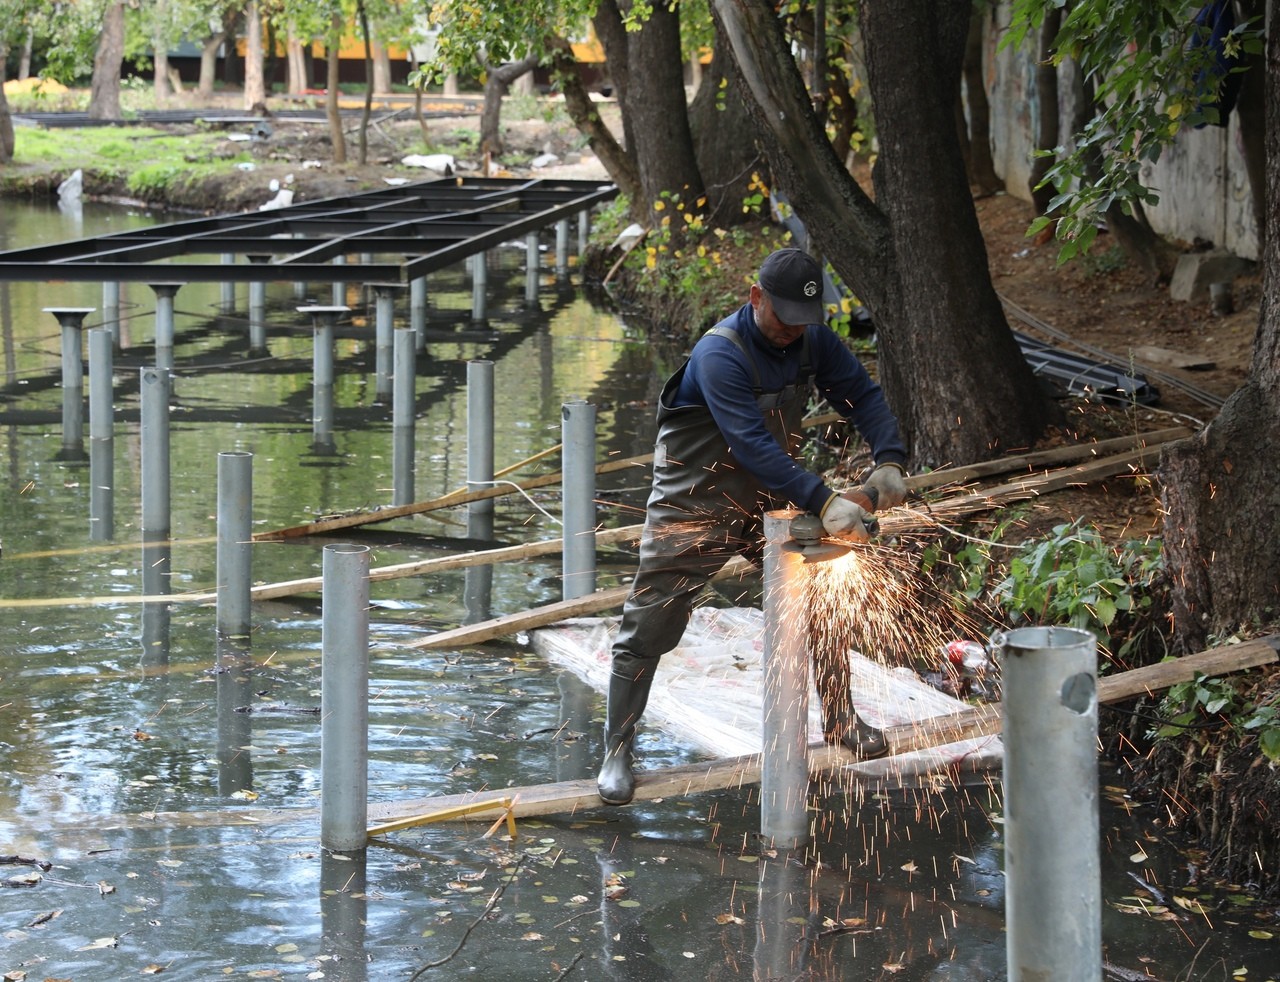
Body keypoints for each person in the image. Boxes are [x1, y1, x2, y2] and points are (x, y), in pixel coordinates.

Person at [598, 247, 909, 806]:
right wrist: (825, 497)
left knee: (823, 601)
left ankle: (841, 718)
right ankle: (617, 749)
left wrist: (888, 456)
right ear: (756, 297)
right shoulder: (720, 354)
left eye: (803, 320)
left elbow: (861, 395)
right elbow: (751, 444)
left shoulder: (814, 339)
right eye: (783, 316)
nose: (792, 330)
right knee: (648, 626)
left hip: (773, 499)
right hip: (692, 503)